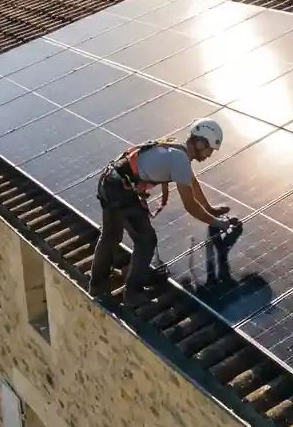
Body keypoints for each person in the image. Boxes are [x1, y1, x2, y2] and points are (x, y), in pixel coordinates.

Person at [89, 118, 232, 305]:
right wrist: (218, 223)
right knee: (146, 240)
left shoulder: (176, 151)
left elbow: (192, 183)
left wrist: (210, 209)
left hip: (109, 181)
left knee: (111, 236)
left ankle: (97, 285)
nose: (209, 155)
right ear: (199, 143)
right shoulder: (179, 161)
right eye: (210, 149)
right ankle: (133, 293)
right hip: (120, 191)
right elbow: (190, 205)